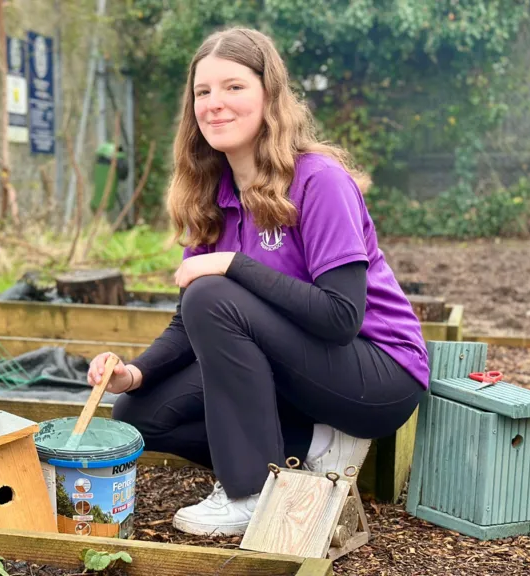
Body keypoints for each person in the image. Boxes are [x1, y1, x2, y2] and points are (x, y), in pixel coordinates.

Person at [85, 27, 429, 537]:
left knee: (213, 292)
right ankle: (314, 442)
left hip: (376, 372)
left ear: (269, 96)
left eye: (233, 87)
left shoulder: (319, 180)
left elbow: (340, 318)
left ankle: (248, 492)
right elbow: (191, 322)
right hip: (298, 372)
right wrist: (134, 372)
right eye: (203, 92)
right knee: (140, 411)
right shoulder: (214, 195)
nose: (214, 104)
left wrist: (233, 264)